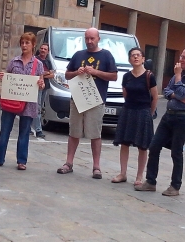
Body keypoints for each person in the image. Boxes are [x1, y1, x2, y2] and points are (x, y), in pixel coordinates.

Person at [135, 47, 185, 195]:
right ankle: (150, 181)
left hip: (182, 117)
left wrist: (178, 79)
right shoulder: (178, 74)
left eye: (184, 57)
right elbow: (167, 91)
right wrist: (175, 95)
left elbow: (181, 92)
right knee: (154, 146)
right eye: (181, 56)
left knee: (176, 152)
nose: (180, 60)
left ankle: (175, 186)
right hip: (169, 115)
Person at [56, 28, 118, 179]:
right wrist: (77, 72)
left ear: (98, 38)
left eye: (92, 38)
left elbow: (114, 76)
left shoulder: (106, 55)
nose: (89, 41)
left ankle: (96, 167)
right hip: (77, 99)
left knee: (95, 134)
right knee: (74, 132)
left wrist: (96, 72)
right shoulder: (78, 55)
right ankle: (68, 163)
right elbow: (67, 75)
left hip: (96, 101)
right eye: (87, 39)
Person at [0, 32, 46, 170]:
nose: (24, 45)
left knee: (24, 132)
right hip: (11, 101)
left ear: (33, 45)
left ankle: (22, 161)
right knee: (5, 130)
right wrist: (2, 76)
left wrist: (41, 84)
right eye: (22, 42)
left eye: (27, 43)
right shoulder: (13, 61)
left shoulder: (38, 64)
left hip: (28, 104)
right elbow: (7, 77)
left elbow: (41, 83)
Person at [111, 47, 157, 185]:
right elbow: (125, 94)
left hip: (143, 112)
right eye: (132, 55)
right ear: (129, 59)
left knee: (142, 146)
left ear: (143, 59)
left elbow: (155, 97)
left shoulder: (149, 76)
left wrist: (150, 113)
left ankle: (139, 176)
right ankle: (122, 173)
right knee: (124, 143)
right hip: (128, 110)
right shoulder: (126, 76)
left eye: (138, 55)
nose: (135, 57)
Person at [32, 43, 54, 139]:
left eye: (45, 49)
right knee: (37, 107)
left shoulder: (48, 62)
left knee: (39, 108)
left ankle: (31, 127)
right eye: (41, 48)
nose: (43, 50)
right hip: (37, 86)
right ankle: (38, 130)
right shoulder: (35, 60)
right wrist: (45, 74)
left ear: (48, 51)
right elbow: (34, 74)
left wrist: (44, 74)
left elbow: (52, 75)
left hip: (46, 86)